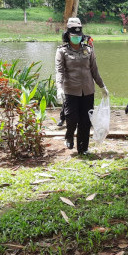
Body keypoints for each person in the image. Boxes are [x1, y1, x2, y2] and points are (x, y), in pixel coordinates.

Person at [55, 17, 108, 155]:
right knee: (72, 118)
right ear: (68, 35)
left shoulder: (88, 50)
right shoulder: (62, 51)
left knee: (85, 121)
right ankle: (69, 135)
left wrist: (102, 87)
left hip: (88, 90)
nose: (77, 39)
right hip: (71, 90)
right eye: (74, 36)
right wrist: (59, 88)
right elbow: (59, 71)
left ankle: (83, 148)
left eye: (79, 36)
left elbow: (94, 70)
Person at [57, 34, 95, 127]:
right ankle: (62, 118)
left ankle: (88, 120)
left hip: (85, 81)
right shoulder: (67, 43)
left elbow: (91, 59)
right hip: (71, 81)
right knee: (67, 102)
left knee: (88, 103)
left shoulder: (85, 38)